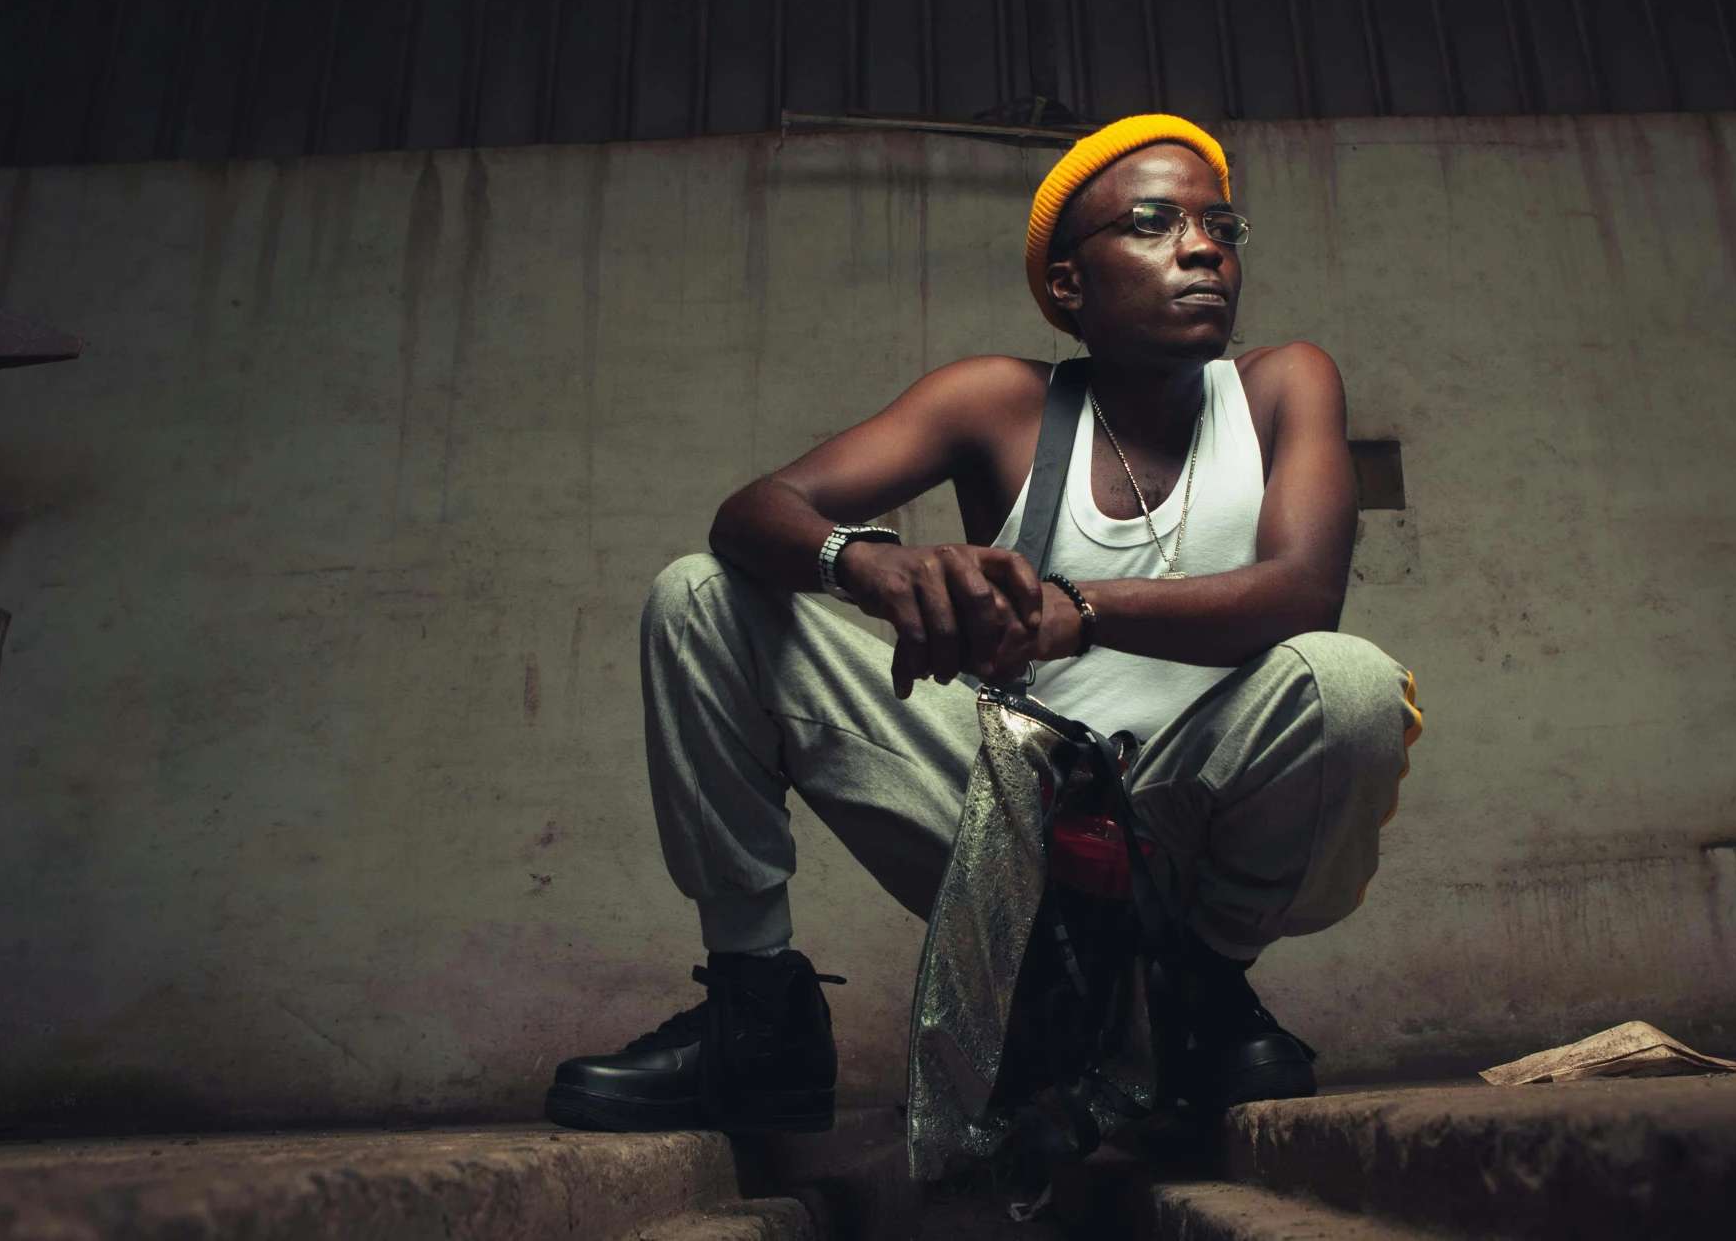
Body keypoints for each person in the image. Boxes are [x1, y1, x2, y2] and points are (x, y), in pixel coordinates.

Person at [544, 114, 1422, 1136]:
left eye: (1219, 224)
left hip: (1198, 816)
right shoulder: (1000, 403)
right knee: (698, 594)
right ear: (1067, 286)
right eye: (1153, 223)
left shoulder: (1280, 385)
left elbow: (1302, 592)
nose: (1201, 246)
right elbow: (753, 511)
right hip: (1016, 818)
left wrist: (1076, 611)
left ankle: (1195, 996)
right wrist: (868, 561)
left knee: (1346, 679)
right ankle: (760, 1010)